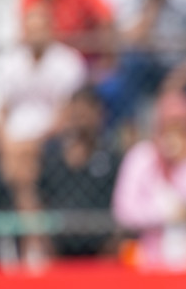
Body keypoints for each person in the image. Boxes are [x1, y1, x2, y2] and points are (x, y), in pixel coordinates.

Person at [111, 92, 186, 270]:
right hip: (152, 261)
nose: (175, 134)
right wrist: (166, 212)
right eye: (170, 126)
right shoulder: (141, 157)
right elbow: (124, 210)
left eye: (181, 127)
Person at [0, 3, 88, 201]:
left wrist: (33, 142)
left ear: (51, 30)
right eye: (31, 29)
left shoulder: (68, 62)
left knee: (20, 169)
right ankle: (32, 225)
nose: (36, 34)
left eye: (40, 29)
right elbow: (1, 111)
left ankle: (25, 221)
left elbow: (67, 113)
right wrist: (7, 143)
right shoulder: (9, 62)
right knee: (19, 165)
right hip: (15, 142)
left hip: (51, 139)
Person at [37, 87, 122, 257]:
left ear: (99, 115)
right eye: (76, 113)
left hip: (103, 251)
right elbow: (40, 200)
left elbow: (122, 205)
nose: (80, 120)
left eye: (86, 113)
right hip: (57, 251)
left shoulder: (113, 158)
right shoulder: (52, 158)